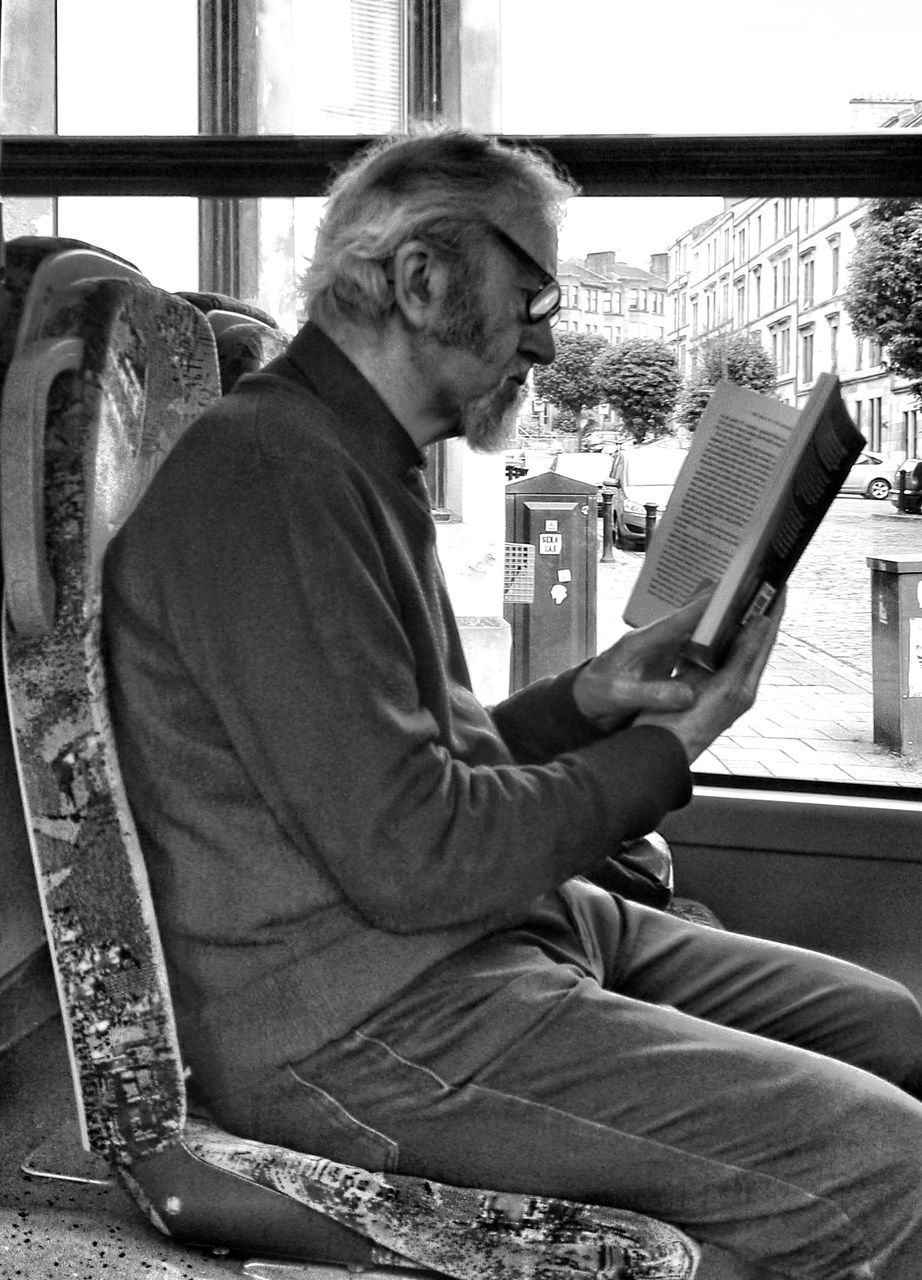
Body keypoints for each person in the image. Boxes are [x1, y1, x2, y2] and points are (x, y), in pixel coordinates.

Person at [102, 129, 922, 1280]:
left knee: (891, 1025)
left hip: (483, 934)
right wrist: (670, 744)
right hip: (362, 1020)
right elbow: (415, 851)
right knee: (893, 1163)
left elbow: (425, 764)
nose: (547, 330)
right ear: (421, 276)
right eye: (532, 287)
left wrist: (591, 696)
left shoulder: (358, 460)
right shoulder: (271, 479)